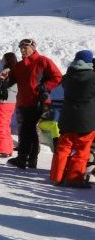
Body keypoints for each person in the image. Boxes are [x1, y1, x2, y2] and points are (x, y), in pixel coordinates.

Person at [8, 39, 62, 169]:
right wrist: (5, 83)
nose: (22, 50)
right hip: (22, 101)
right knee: (28, 130)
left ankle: (23, 158)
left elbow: (58, 77)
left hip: (38, 101)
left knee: (27, 129)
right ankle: (31, 159)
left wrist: (45, 87)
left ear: (33, 47)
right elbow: (11, 78)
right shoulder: (19, 65)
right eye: (21, 48)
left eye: (25, 47)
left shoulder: (43, 61)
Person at [50, 50, 94, 187]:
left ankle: (56, 177)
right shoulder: (93, 77)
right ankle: (74, 179)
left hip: (67, 118)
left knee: (63, 149)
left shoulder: (68, 77)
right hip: (86, 121)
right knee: (82, 150)